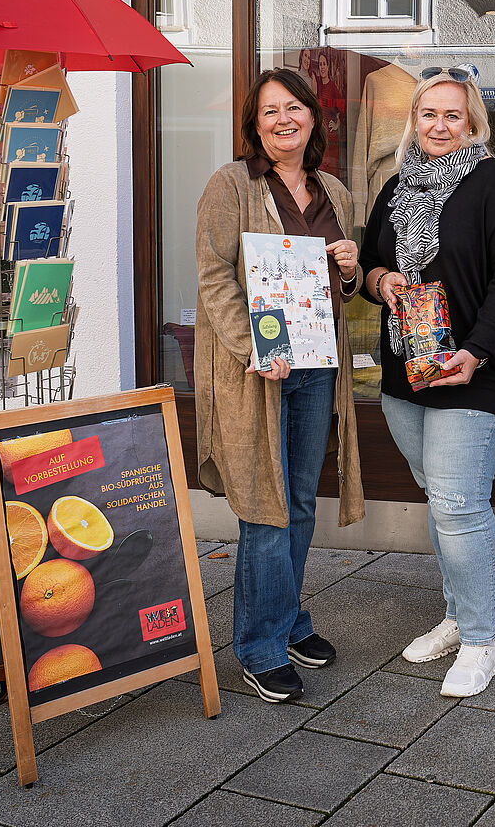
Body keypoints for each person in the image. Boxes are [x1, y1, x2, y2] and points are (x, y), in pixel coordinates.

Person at [361, 66, 495, 698]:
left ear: (473, 125)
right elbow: (371, 261)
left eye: (452, 116)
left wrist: (477, 349)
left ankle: (482, 640)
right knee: (441, 496)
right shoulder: (395, 186)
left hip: (475, 371)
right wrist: (381, 281)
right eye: (428, 115)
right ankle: (458, 614)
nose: (439, 126)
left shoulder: (494, 184)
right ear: (413, 121)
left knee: (459, 502)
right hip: (404, 373)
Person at [194, 67, 364, 704]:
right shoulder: (230, 186)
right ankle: (259, 647)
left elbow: (338, 292)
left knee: (296, 501)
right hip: (256, 373)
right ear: (253, 124)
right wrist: (252, 346)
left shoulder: (334, 193)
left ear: (314, 119)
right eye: (270, 112)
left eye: (295, 108)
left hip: (316, 366)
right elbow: (214, 280)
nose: (284, 120)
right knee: (264, 507)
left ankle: (289, 623)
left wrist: (348, 268)